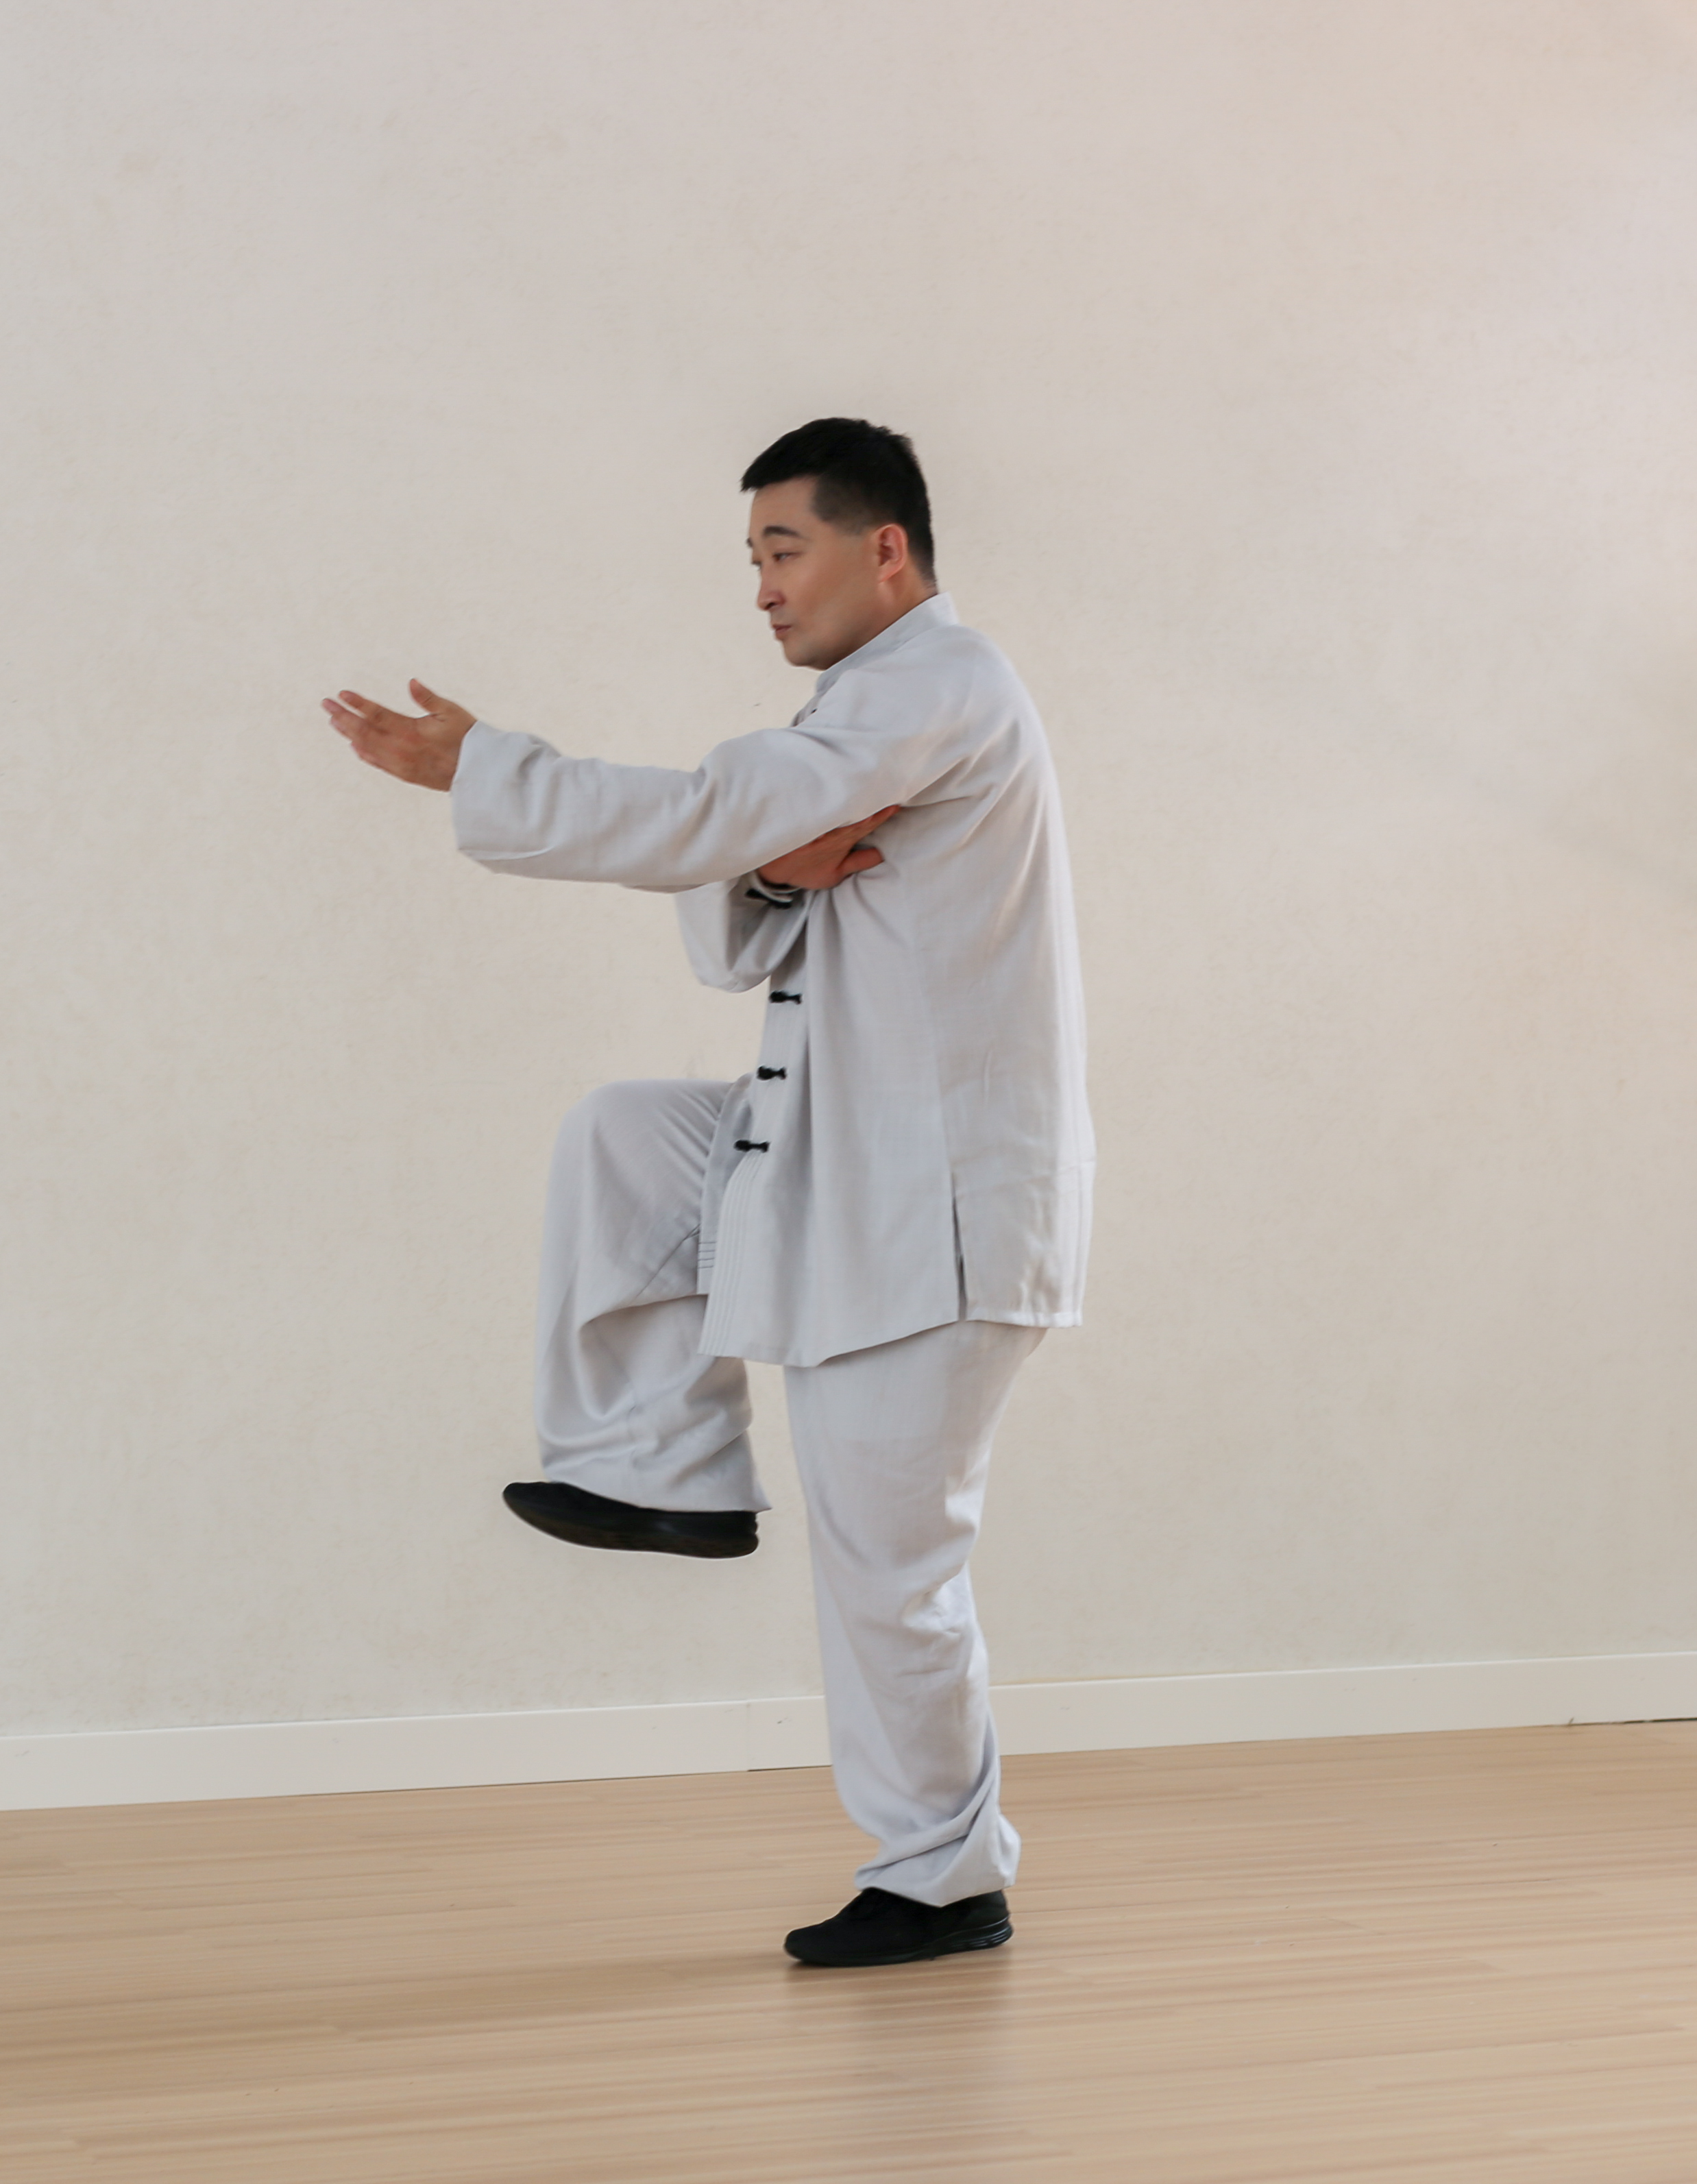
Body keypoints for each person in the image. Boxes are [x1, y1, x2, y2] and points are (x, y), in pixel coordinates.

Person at [321, 418, 1093, 1968]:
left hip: (939, 1211)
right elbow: (734, 912)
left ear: (885, 549)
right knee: (626, 1137)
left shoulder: (943, 683)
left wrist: (483, 769)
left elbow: (702, 816)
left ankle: (945, 1878)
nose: (760, 588)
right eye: (751, 557)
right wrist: (769, 868)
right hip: (844, 1158)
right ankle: (661, 1463)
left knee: (891, 1568)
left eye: (782, 550)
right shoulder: (862, 716)